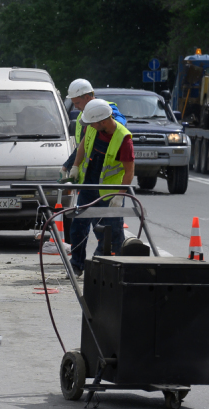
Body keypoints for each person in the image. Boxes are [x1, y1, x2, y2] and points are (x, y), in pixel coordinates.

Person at [67, 98, 134, 276]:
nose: (90, 126)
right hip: (88, 186)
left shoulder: (123, 139)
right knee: (78, 227)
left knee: (112, 233)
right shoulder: (93, 127)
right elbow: (82, 146)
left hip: (110, 193)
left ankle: (111, 270)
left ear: (103, 121)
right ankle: (76, 265)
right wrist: (74, 166)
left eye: (93, 124)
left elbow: (129, 172)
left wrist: (120, 195)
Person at [63, 79, 125, 181]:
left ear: (87, 97)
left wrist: (113, 124)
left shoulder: (105, 109)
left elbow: (119, 121)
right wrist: (68, 166)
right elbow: (81, 146)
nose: (75, 107)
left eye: (77, 103)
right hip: (89, 175)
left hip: (105, 176)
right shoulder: (82, 116)